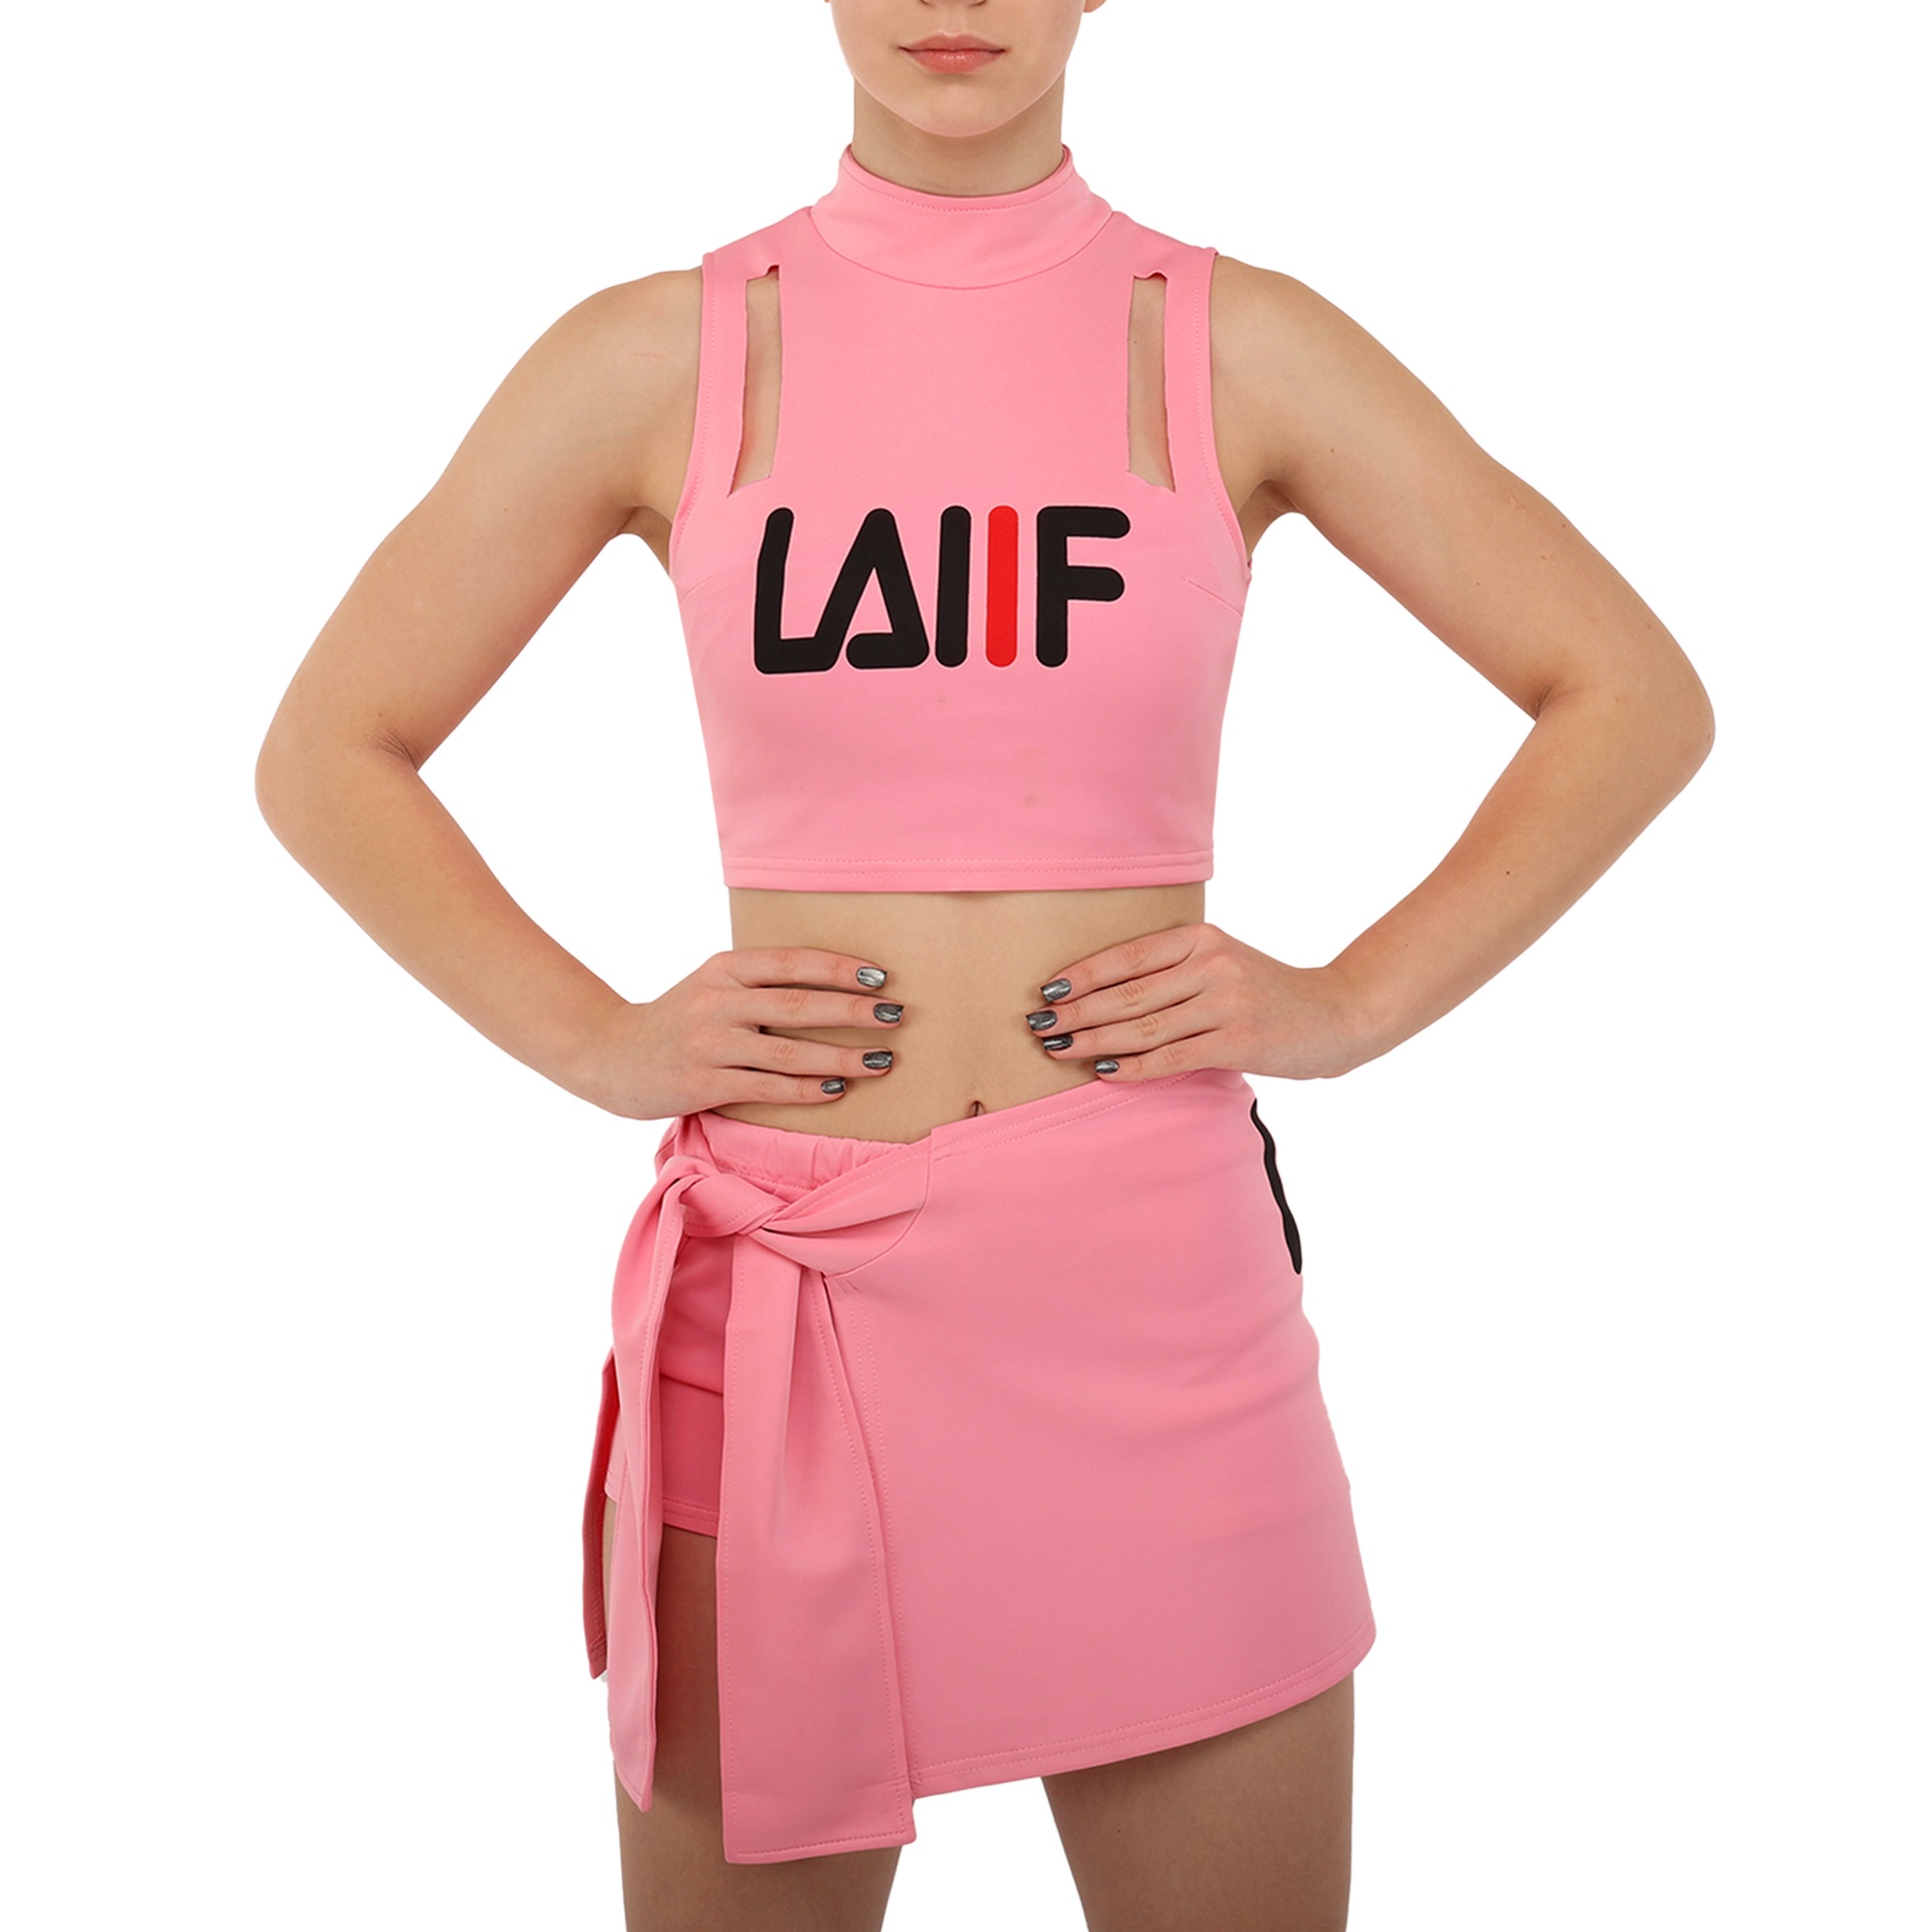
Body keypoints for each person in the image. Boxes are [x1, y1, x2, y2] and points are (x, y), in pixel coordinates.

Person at [255, 3, 1714, 1926]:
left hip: (1154, 1307)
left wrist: (1353, 1002)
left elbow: (1627, 694)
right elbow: (329, 751)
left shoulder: (1233, 340)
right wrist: (594, 1038)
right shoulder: (664, 351)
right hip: (789, 1304)